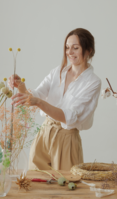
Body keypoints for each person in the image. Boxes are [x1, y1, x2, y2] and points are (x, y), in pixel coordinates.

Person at [9, 28, 101, 171]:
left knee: (66, 187)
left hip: (66, 139)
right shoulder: (57, 72)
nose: (69, 52)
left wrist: (39, 102)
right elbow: (36, 95)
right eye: (67, 47)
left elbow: (70, 117)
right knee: (36, 183)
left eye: (75, 48)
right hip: (44, 133)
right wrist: (21, 87)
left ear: (88, 50)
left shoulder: (93, 82)